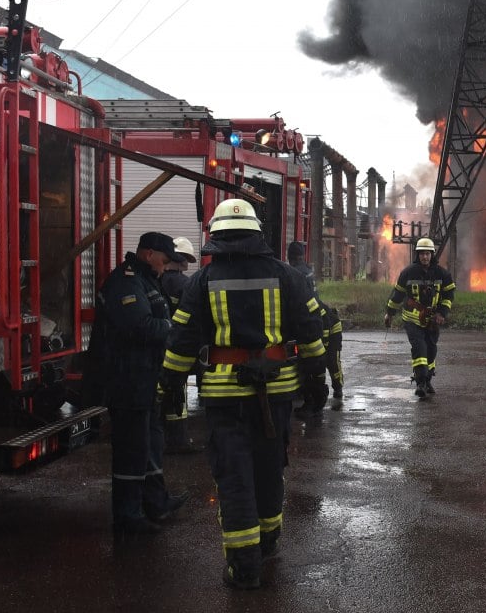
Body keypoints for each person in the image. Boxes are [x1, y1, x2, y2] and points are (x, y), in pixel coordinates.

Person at [163, 199, 325, 590]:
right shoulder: (288, 276)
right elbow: (311, 333)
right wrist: (317, 382)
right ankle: (267, 542)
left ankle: (244, 565)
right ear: (257, 233)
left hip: (225, 396)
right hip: (279, 391)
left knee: (234, 475)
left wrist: (167, 387)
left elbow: (182, 341)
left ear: (215, 236)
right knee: (270, 467)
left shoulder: (202, 280)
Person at [94, 231, 190, 537]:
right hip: (128, 380)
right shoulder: (126, 281)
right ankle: (128, 517)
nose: (165, 267)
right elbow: (140, 325)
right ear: (148, 254)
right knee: (131, 451)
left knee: (151, 443)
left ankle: (156, 502)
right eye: (164, 260)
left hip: (146, 379)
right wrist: (171, 328)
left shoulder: (147, 280)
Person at [384, 237, 456, 398]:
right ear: (418, 255)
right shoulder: (408, 273)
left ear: (432, 254)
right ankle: (421, 383)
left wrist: (442, 313)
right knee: (419, 349)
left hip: (432, 320)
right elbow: (397, 295)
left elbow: (449, 295)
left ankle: (428, 379)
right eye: (422, 253)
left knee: (431, 350)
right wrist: (389, 313)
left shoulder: (442, 274)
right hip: (412, 319)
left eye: (428, 253)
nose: (425, 257)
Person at [157, 236, 203, 454]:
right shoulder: (184, 284)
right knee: (176, 394)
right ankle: (178, 441)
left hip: (158, 344)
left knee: (162, 390)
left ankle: (160, 437)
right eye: (185, 258)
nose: (187, 263)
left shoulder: (155, 279)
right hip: (177, 344)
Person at [287, 241, 344, 414]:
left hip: (322, 323)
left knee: (321, 360)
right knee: (328, 360)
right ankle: (335, 390)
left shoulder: (294, 274)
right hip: (323, 318)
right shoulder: (306, 271)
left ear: (289, 258)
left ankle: (325, 393)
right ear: (302, 256)